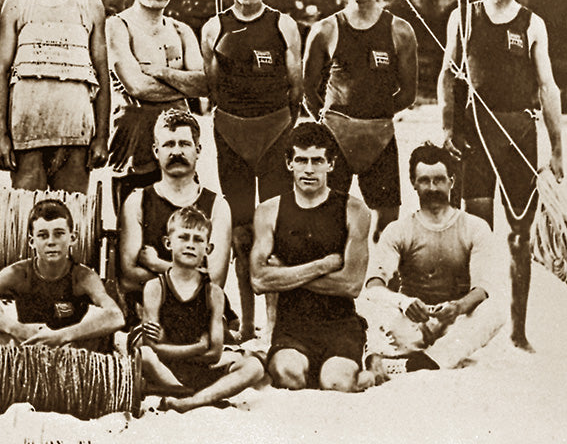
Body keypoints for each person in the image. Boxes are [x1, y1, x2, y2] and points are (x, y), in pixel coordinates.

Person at [438, 0, 564, 351]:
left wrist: (557, 150)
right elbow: (447, 75)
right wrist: (447, 129)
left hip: (519, 138)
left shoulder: (532, 24)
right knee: (477, 232)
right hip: (475, 136)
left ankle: (517, 331)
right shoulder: (464, 15)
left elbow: (547, 87)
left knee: (519, 236)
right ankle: (474, 326)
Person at [199, 0, 303, 342]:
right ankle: (245, 322)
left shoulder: (283, 25)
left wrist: (278, 124)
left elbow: (296, 89)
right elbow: (211, 91)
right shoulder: (214, 27)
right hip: (231, 135)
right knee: (241, 234)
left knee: (274, 230)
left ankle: (275, 323)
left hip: (275, 132)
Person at [302, 0, 417, 241]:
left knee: (387, 225)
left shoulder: (400, 31)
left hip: (380, 137)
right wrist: (330, 122)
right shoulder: (325, 30)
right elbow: (307, 88)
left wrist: (376, 116)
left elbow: (408, 94)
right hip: (336, 137)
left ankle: (377, 272)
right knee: (330, 221)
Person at [360, 143, 504, 379]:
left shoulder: (475, 227)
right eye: (425, 181)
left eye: (439, 180)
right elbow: (374, 285)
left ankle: (422, 363)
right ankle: (432, 358)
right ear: (413, 183)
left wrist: (457, 307)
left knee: (493, 311)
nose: (432, 187)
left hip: (454, 322)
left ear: (451, 181)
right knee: (369, 305)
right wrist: (404, 303)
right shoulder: (399, 230)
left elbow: (482, 288)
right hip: (413, 322)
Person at [251, 122, 371, 392]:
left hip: (340, 323)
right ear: (289, 163)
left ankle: (365, 371)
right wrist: (323, 265)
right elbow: (259, 281)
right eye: (301, 160)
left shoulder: (354, 210)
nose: (308, 169)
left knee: (336, 382)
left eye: (317, 161)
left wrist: (284, 273)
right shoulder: (268, 211)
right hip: (292, 325)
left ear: (331, 164)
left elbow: (351, 285)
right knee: (287, 375)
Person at [0, 0, 109, 192]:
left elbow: (102, 74)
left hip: (76, 134)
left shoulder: (91, 4)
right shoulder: (16, 4)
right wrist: (1, 136)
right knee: (25, 212)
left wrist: (102, 137)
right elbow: (1, 73)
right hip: (26, 134)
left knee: (72, 212)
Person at [118, 109, 235, 334]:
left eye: (184, 144)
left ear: (198, 150)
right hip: (149, 317)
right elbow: (129, 278)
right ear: (156, 151)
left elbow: (215, 281)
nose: (176, 151)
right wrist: (192, 275)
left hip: (202, 316)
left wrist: (156, 265)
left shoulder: (217, 206)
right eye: (168, 144)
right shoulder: (138, 201)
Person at [136, 208, 265, 411]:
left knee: (254, 367)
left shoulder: (213, 293)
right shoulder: (155, 287)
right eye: (183, 237)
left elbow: (215, 353)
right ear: (168, 243)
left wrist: (171, 347)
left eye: (198, 239)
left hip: (201, 370)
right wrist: (198, 347)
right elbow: (152, 347)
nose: (190, 244)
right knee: (144, 355)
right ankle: (200, 396)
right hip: (166, 371)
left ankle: (188, 401)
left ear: (208, 249)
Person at [0, 199, 124, 349]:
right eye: (43, 235)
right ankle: (9, 363)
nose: (51, 242)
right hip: (27, 346)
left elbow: (116, 316)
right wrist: (17, 329)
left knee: (99, 315)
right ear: (32, 242)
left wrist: (60, 336)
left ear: (72, 238)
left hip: (69, 351)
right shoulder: (19, 273)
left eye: (59, 234)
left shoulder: (82, 277)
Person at [108, 0, 205, 207]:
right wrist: (183, 86)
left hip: (178, 144)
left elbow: (203, 85)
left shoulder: (181, 30)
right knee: (132, 221)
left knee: (182, 222)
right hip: (133, 147)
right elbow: (137, 86)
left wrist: (161, 72)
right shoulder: (118, 26)